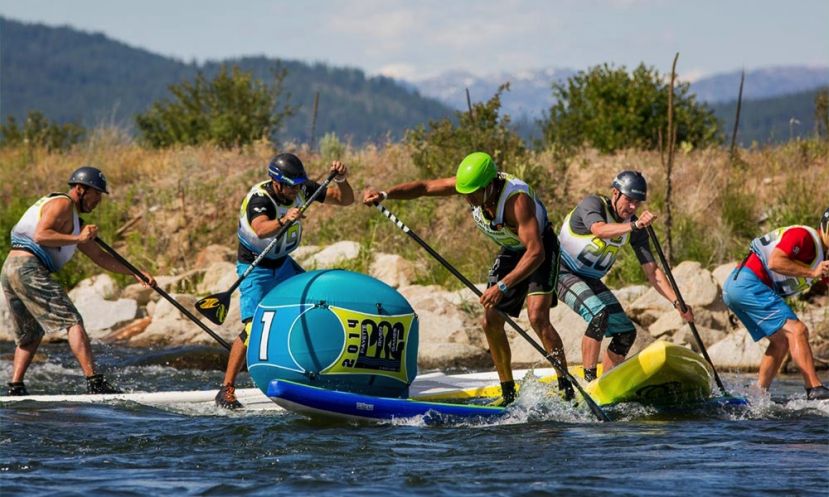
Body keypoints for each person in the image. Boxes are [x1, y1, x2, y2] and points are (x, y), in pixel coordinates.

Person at [363, 151, 573, 406]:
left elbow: (536, 253)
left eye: (472, 193)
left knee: (537, 317)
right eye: (464, 192)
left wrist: (503, 286)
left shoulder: (516, 201)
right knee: (490, 320)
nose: (467, 198)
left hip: (538, 248)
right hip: (512, 249)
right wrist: (386, 194)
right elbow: (425, 187)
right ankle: (508, 394)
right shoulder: (469, 184)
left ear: (490, 185)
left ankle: (566, 387)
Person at [215, 153, 354, 409]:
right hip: (255, 269)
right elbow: (260, 228)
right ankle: (227, 389)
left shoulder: (302, 188)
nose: (295, 190)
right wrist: (283, 220)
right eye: (290, 185)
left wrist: (343, 180)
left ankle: (313, 371)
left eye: (298, 184)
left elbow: (346, 200)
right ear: (276, 182)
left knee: (315, 305)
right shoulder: (260, 199)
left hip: (283, 265)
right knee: (252, 328)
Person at [2, 166, 156, 396]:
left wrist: (135, 273)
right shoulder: (62, 204)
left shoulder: (74, 220)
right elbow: (41, 235)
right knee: (73, 321)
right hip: (27, 268)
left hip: (10, 269)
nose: (98, 201)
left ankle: (16, 386)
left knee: (30, 333)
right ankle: (94, 382)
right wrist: (78, 237)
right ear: (81, 189)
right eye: (97, 194)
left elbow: (100, 257)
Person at [556, 171, 693, 382]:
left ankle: (606, 382)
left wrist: (677, 302)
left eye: (636, 203)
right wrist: (634, 226)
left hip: (590, 280)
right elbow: (599, 230)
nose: (631, 207)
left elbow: (652, 271)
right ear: (615, 194)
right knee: (598, 315)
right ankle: (589, 383)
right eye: (628, 200)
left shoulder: (634, 225)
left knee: (625, 332)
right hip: (561, 271)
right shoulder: (593, 204)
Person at [722, 208, 829, 400]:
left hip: (739, 288)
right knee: (797, 330)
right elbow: (775, 261)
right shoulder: (803, 236)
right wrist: (813, 273)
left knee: (780, 342)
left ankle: (757, 396)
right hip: (747, 283)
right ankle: (815, 390)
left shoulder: (822, 258)